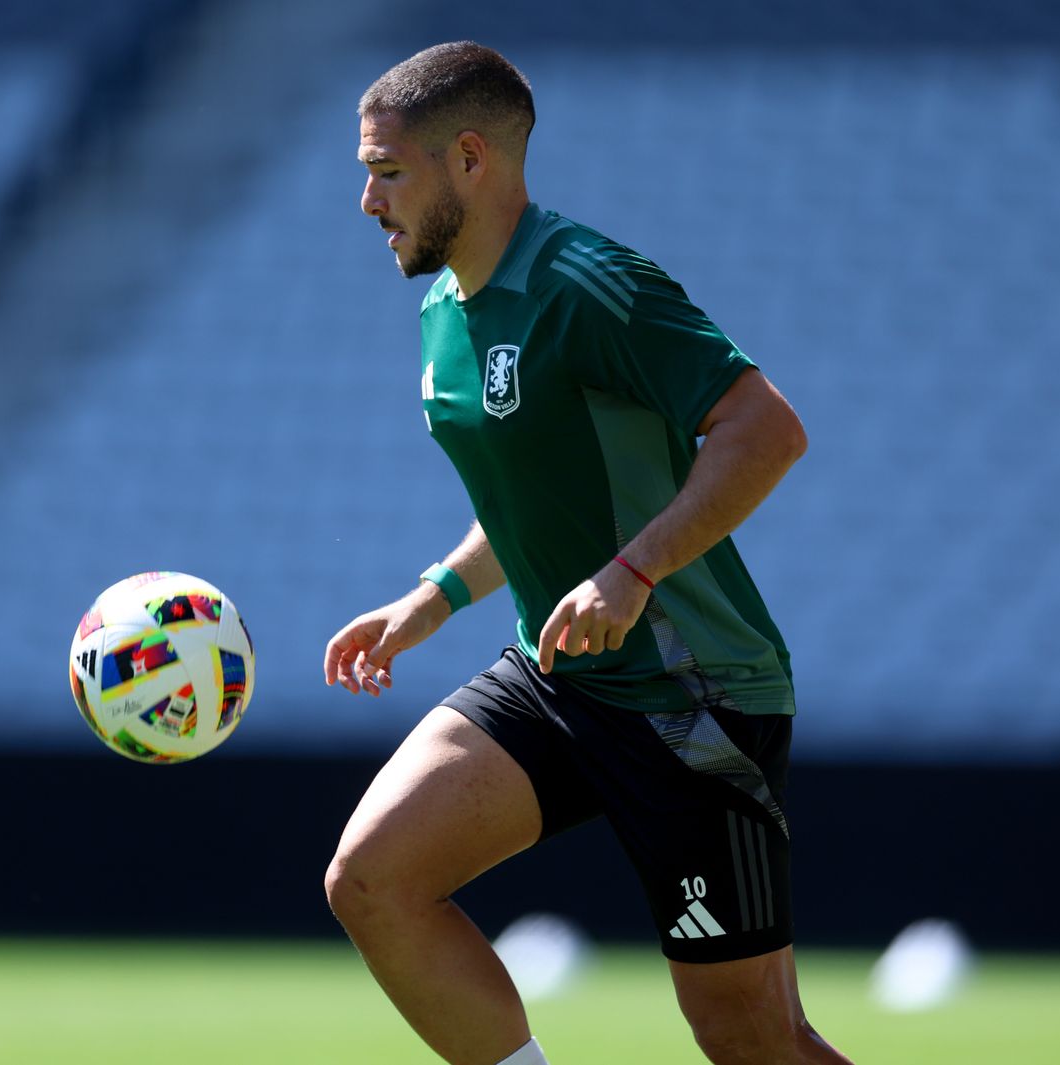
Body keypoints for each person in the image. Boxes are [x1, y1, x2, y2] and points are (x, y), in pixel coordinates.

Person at [321, 41, 852, 1065]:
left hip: (689, 695)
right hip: (561, 677)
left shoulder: (588, 283)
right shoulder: (444, 312)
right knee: (371, 878)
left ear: (469, 160)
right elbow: (536, 500)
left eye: (386, 172)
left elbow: (766, 429)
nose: (367, 201)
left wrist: (634, 570)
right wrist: (427, 603)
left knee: (755, 1042)